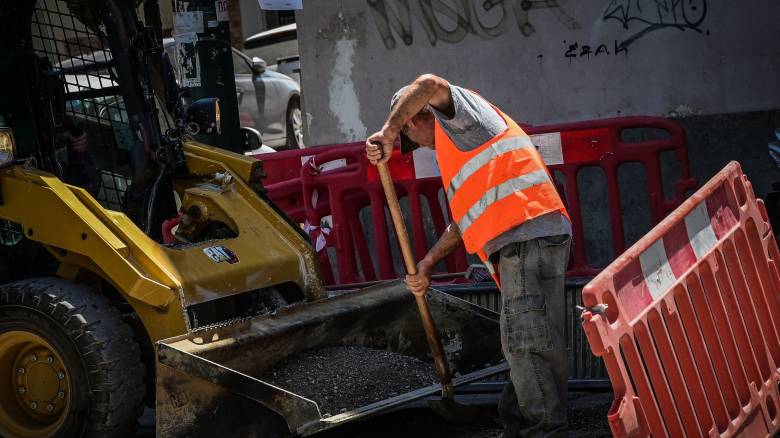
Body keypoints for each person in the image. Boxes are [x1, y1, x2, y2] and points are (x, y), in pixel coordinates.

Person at [365, 74, 572, 437]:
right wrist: (428, 263)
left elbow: (428, 82)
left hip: (526, 232)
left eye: (411, 138)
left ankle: (545, 428)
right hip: (534, 233)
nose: (421, 146)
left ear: (413, 119)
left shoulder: (463, 119)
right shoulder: (459, 147)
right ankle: (519, 418)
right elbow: (465, 220)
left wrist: (388, 131)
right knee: (531, 338)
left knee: (526, 341)